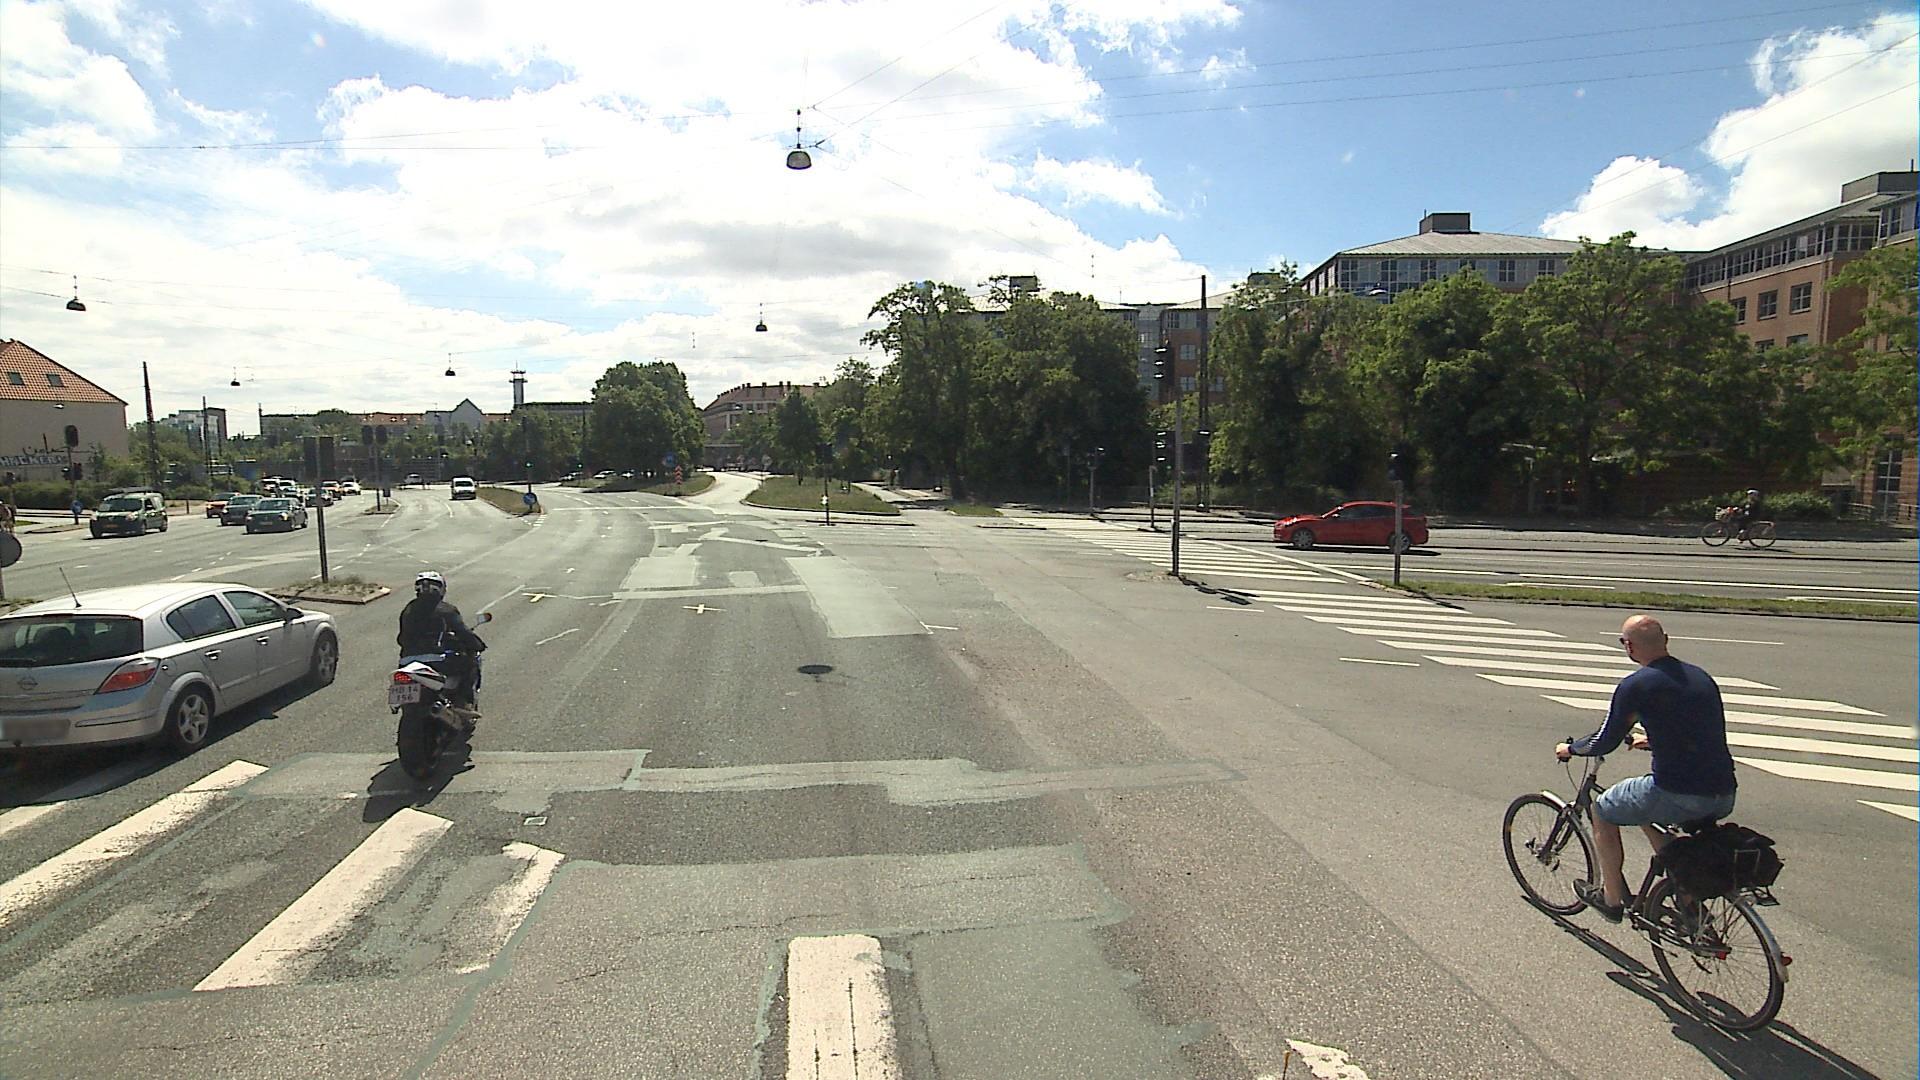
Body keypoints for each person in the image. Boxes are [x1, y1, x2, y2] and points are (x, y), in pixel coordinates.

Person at [1555, 615, 1737, 922]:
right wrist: (1653, 740)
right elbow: (1698, 730)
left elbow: (1604, 740)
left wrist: (1571, 749)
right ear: (1665, 639)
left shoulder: (1636, 686)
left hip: (1679, 793)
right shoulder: (1700, 677)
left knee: (1603, 809)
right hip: (1723, 792)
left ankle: (1611, 899)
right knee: (1641, 806)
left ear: (1628, 646)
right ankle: (1684, 889)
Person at [397, 571, 487, 725]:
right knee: (469, 664)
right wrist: (477, 644)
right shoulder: (446, 610)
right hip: (438, 661)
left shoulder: (408, 610)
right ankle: (464, 704)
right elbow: (463, 632)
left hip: (407, 662)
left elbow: (401, 638)